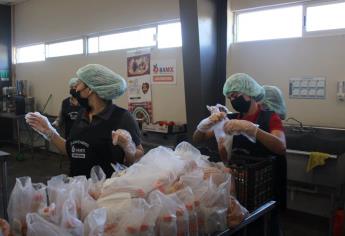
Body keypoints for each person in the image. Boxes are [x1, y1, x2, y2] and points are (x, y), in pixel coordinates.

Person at [193, 73, 286, 235]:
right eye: (229, 97)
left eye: (235, 95)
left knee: (268, 223)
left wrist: (252, 129)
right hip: (242, 182)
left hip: (265, 181)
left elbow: (280, 147)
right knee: (243, 222)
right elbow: (198, 139)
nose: (233, 100)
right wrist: (204, 125)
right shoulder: (230, 119)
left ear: (249, 93)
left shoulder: (270, 118)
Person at [26, 64, 144, 178]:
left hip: (106, 192)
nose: (75, 88)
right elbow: (73, 151)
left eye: (79, 83)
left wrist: (129, 147)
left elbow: (139, 156)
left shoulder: (122, 117)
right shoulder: (82, 113)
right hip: (80, 189)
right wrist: (49, 132)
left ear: (90, 89)